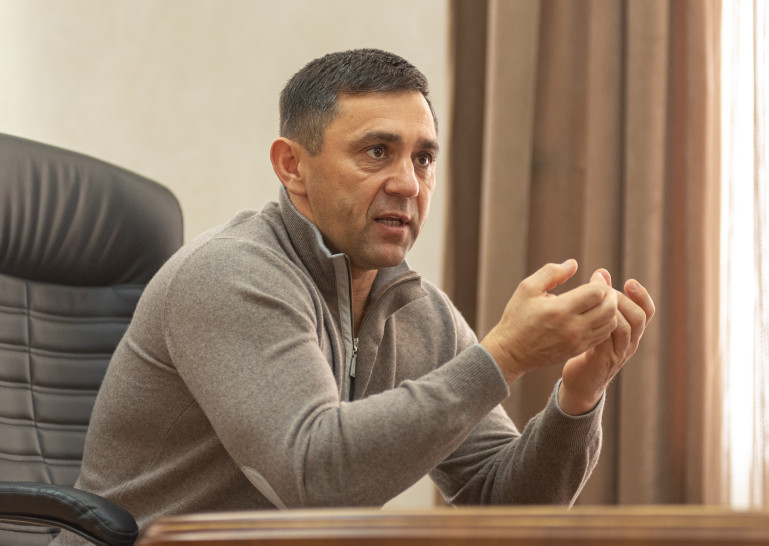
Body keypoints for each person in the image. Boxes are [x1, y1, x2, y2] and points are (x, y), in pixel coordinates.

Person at [54, 48, 654, 544]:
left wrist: (578, 398)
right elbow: (315, 478)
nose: (408, 183)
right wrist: (504, 357)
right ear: (292, 167)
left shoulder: (423, 315)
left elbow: (506, 506)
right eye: (377, 152)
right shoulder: (230, 274)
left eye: (424, 158)